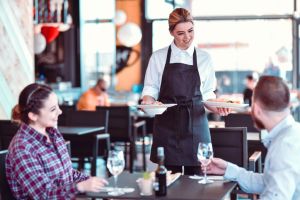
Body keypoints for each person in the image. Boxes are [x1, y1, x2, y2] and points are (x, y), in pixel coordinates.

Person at [141, 8, 229, 175]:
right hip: (166, 124)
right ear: (171, 33)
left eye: (190, 31)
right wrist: (148, 101)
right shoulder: (158, 57)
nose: (187, 37)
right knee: (165, 180)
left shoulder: (205, 58)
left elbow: (208, 94)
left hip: (196, 124)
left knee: (198, 181)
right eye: (180, 33)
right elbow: (150, 89)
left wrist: (218, 107)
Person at [6, 83, 108, 199]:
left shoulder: (53, 134)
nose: (60, 112)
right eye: (53, 109)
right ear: (33, 116)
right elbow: (43, 195)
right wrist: (80, 187)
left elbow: (67, 174)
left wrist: (89, 180)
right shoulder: (22, 149)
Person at [205, 76, 300, 199]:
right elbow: (267, 182)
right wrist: (228, 169)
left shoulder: (285, 145)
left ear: (257, 110)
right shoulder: (290, 134)